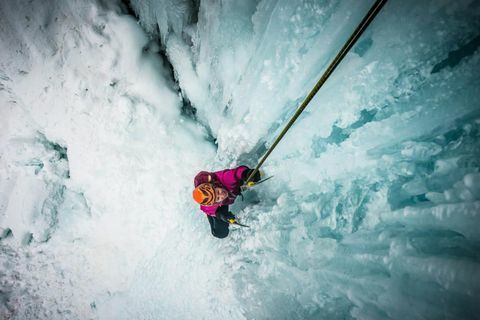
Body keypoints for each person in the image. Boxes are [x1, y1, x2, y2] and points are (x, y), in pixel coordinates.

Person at [192, 165, 261, 238]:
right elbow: (209, 211)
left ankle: (238, 187)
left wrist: (246, 173)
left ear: (215, 185)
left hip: (229, 189)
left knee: (235, 185)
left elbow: (236, 172)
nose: (221, 195)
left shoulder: (224, 179)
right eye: (218, 197)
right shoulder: (209, 206)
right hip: (221, 205)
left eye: (218, 192)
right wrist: (221, 215)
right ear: (214, 203)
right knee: (221, 233)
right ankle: (214, 228)